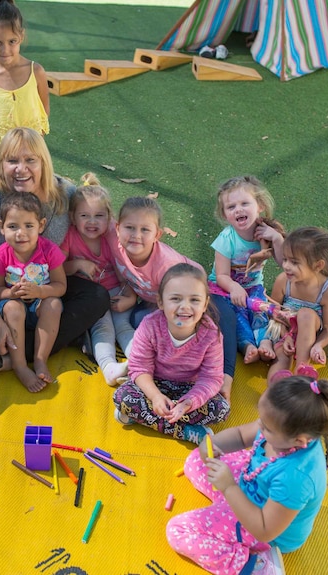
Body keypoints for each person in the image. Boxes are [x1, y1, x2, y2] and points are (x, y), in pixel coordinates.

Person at [0, 127, 110, 384]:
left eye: (30, 160)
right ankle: (52, 339)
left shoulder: (64, 194)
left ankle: (5, 360)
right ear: (0, 164)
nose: (21, 169)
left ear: (43, 162)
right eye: (12, 161)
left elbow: (103, 219)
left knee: (96, 297)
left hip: (45, 289)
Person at [167, 374, 328, 575]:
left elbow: (265, 529)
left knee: (178, 531)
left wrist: (229, 487)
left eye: (267, 428)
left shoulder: (296, 477)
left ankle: (254, 566)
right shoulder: (281, 429)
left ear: (299, 441)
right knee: (196, 460)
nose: (260, 427)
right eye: (261, 421)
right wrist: (214, 444)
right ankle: (226, 508)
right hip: (250, 486)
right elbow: (241, 435)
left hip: (266, 530)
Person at [113, 264, 228, 444]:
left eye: (194, 300)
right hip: (155, 384)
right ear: (161, 302)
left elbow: (212, 378)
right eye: (175, 298)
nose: (185, 307)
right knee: (123, 397)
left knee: (221, 409)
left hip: (189, 389)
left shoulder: (212, 334)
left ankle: (146, 418)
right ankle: (185, 432)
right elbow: (139, 368)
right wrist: (155, 397)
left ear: (205, 304)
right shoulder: (149, 325)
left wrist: (189, 402)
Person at [207, 176, 284, 399]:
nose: (238, 210)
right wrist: (233, 288)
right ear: (225, 215)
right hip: (225, 289)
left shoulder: (266, 233)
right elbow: (220, 275)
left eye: (244, 204)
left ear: (259, 206)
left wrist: (277, 239)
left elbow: (283, 263)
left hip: (253, 288)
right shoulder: (226, 239)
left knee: (260, 314)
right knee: (237, 316)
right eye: (231, 207)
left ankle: (266, 341)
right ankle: (247, 345)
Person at [106, 196, 206, 367]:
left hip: (189, 296)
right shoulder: (114, 241)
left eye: (145, 230)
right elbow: (90, 206)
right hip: (156, 300)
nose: (136, 235)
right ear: (117, 228)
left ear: (157, 235)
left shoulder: (166, 267)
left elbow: (182, 303)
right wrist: (130, 297)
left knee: (169, 332)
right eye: (129, 227)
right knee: (137, 322)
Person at [60, 173, 133, 386]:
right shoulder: (70, 236)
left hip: (116, 292)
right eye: (85, 216)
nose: (92, 222)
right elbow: (57, 269)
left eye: (99, 216)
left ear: (109, 217)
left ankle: (142, 363)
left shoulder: (111, 234)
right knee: (103, 329)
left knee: (124, 327)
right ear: (73, 217)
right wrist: (78, 265)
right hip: (91, 297)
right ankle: (109, 368)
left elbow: (126, 271)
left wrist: (129, 298)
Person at [0, 192, 66, 391]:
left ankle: (40, 359)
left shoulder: (49, 251)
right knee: (14, 308)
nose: (20, 233)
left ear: (41, 226)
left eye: (28, 226)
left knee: (54, 303)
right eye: (13, 226)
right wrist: (10, 294)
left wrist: (40, 291)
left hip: (40, 305)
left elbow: (60, 286)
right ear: (1, 227)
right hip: (12, 309)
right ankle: (20, 365)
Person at [0, 0, 49, 176]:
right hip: (0, 158)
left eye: (12, 41)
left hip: (31, 154)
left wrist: (32, 149)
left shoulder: (36, 71)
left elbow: (44, 111)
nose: (5, 49)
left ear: (21, 37)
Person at [265, 227, 328, 383]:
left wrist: (319, 345)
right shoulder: (283, 280)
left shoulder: (326, 290)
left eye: (294, 262)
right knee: (282, 360)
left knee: (305, 314)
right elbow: (273, 311)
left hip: (309, 335)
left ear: (318, 265)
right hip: (284, 330)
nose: (286, 266)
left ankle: (302, 368)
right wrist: (285, 336)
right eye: (285, 259)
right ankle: (276, 388)